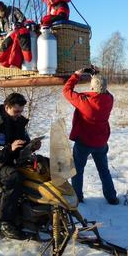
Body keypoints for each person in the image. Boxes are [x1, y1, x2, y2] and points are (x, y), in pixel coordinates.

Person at [0, 93, 41, 239]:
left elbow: (23, 143)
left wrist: (32, 147)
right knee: (14, 177)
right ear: (7, 107)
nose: (19, 115)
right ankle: (4, 222)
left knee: (41, 167)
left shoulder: (18, 122)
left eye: (21, 111)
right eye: (16, 111)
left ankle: (35, 210)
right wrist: (8, 148)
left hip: (11, 160)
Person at [63, 69, 119, 205]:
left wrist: (76, 75)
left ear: (92, 87)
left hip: (84, 142)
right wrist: (97, 76)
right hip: (101, 143)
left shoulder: (84, 100)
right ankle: (112, 197)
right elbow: (105, 92)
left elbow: (66, 91)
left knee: (77, 170)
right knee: (104, 170)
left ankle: (77, 197)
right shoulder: (109, 100)